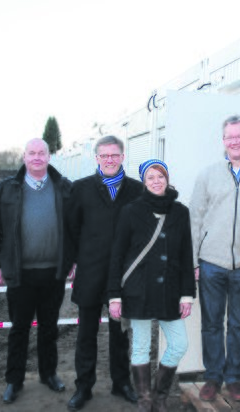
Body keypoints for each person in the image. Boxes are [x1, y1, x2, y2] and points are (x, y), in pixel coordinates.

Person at [0, 138, 72, 404]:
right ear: (24, 157)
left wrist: (73, 260)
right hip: (21, 275)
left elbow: (75, 228)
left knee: (49, 328)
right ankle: (14, 380)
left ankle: (48, 374)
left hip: (53, 273)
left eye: (41, 153)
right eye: (31, 153)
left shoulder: (64, 187)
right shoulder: (6, 189)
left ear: (48, 157)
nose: (36, 157)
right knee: (19, 329)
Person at [108, 159, 196, 412]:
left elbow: (185, 253)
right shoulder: (130, 211)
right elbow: (117, 255)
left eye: (160, 176)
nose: (156, 181)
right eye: (150, 178)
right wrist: (114, 295)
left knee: (179, 344)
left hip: (170, 290)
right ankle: (146, 401)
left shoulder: (180, 212)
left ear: (167, 178)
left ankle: (159, 395)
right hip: (138, 289)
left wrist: (187, 294)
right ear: (144, 182)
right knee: (141, 346)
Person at [65, 135, 142, 410]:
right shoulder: (81, 189)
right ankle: (83, 387)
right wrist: (72, 262)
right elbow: (70, 230)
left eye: (114, 155)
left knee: (120, 335)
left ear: (122, 157)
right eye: (104, 156)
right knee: (86, 335)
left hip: (123, 278)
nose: (109, 160)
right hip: (90, 273)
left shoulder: (137, 190)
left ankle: (121, 383)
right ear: (97, 158)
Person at [189, 115, 240, 402]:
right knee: (211, 324)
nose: (234, 141)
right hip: (211, 264)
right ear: (223, 141)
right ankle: (213, 376)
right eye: (229, 136)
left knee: (239, 324)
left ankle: (233, 378)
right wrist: (194, 260)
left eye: (239, 136)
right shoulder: (207, 175)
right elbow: (195, 218)